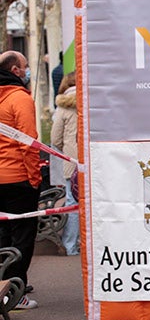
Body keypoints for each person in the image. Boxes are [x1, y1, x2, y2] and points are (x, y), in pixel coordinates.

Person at [0, 51, 40, 309]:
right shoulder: (19, 98)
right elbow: (29, 142)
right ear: (16, 71)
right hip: (18, 178)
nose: (27, 71)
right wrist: (35, 179)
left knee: (3, 235)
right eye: (25, 67)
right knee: (23, 236)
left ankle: (5, 286)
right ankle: (15, 291)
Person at [50, 71, 80, 256]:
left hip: (72, 161)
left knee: (72, 201)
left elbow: (55, 138)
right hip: (94, 160)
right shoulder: (93, 102)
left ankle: (70, 245)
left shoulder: (63, 107)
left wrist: (69, 150)